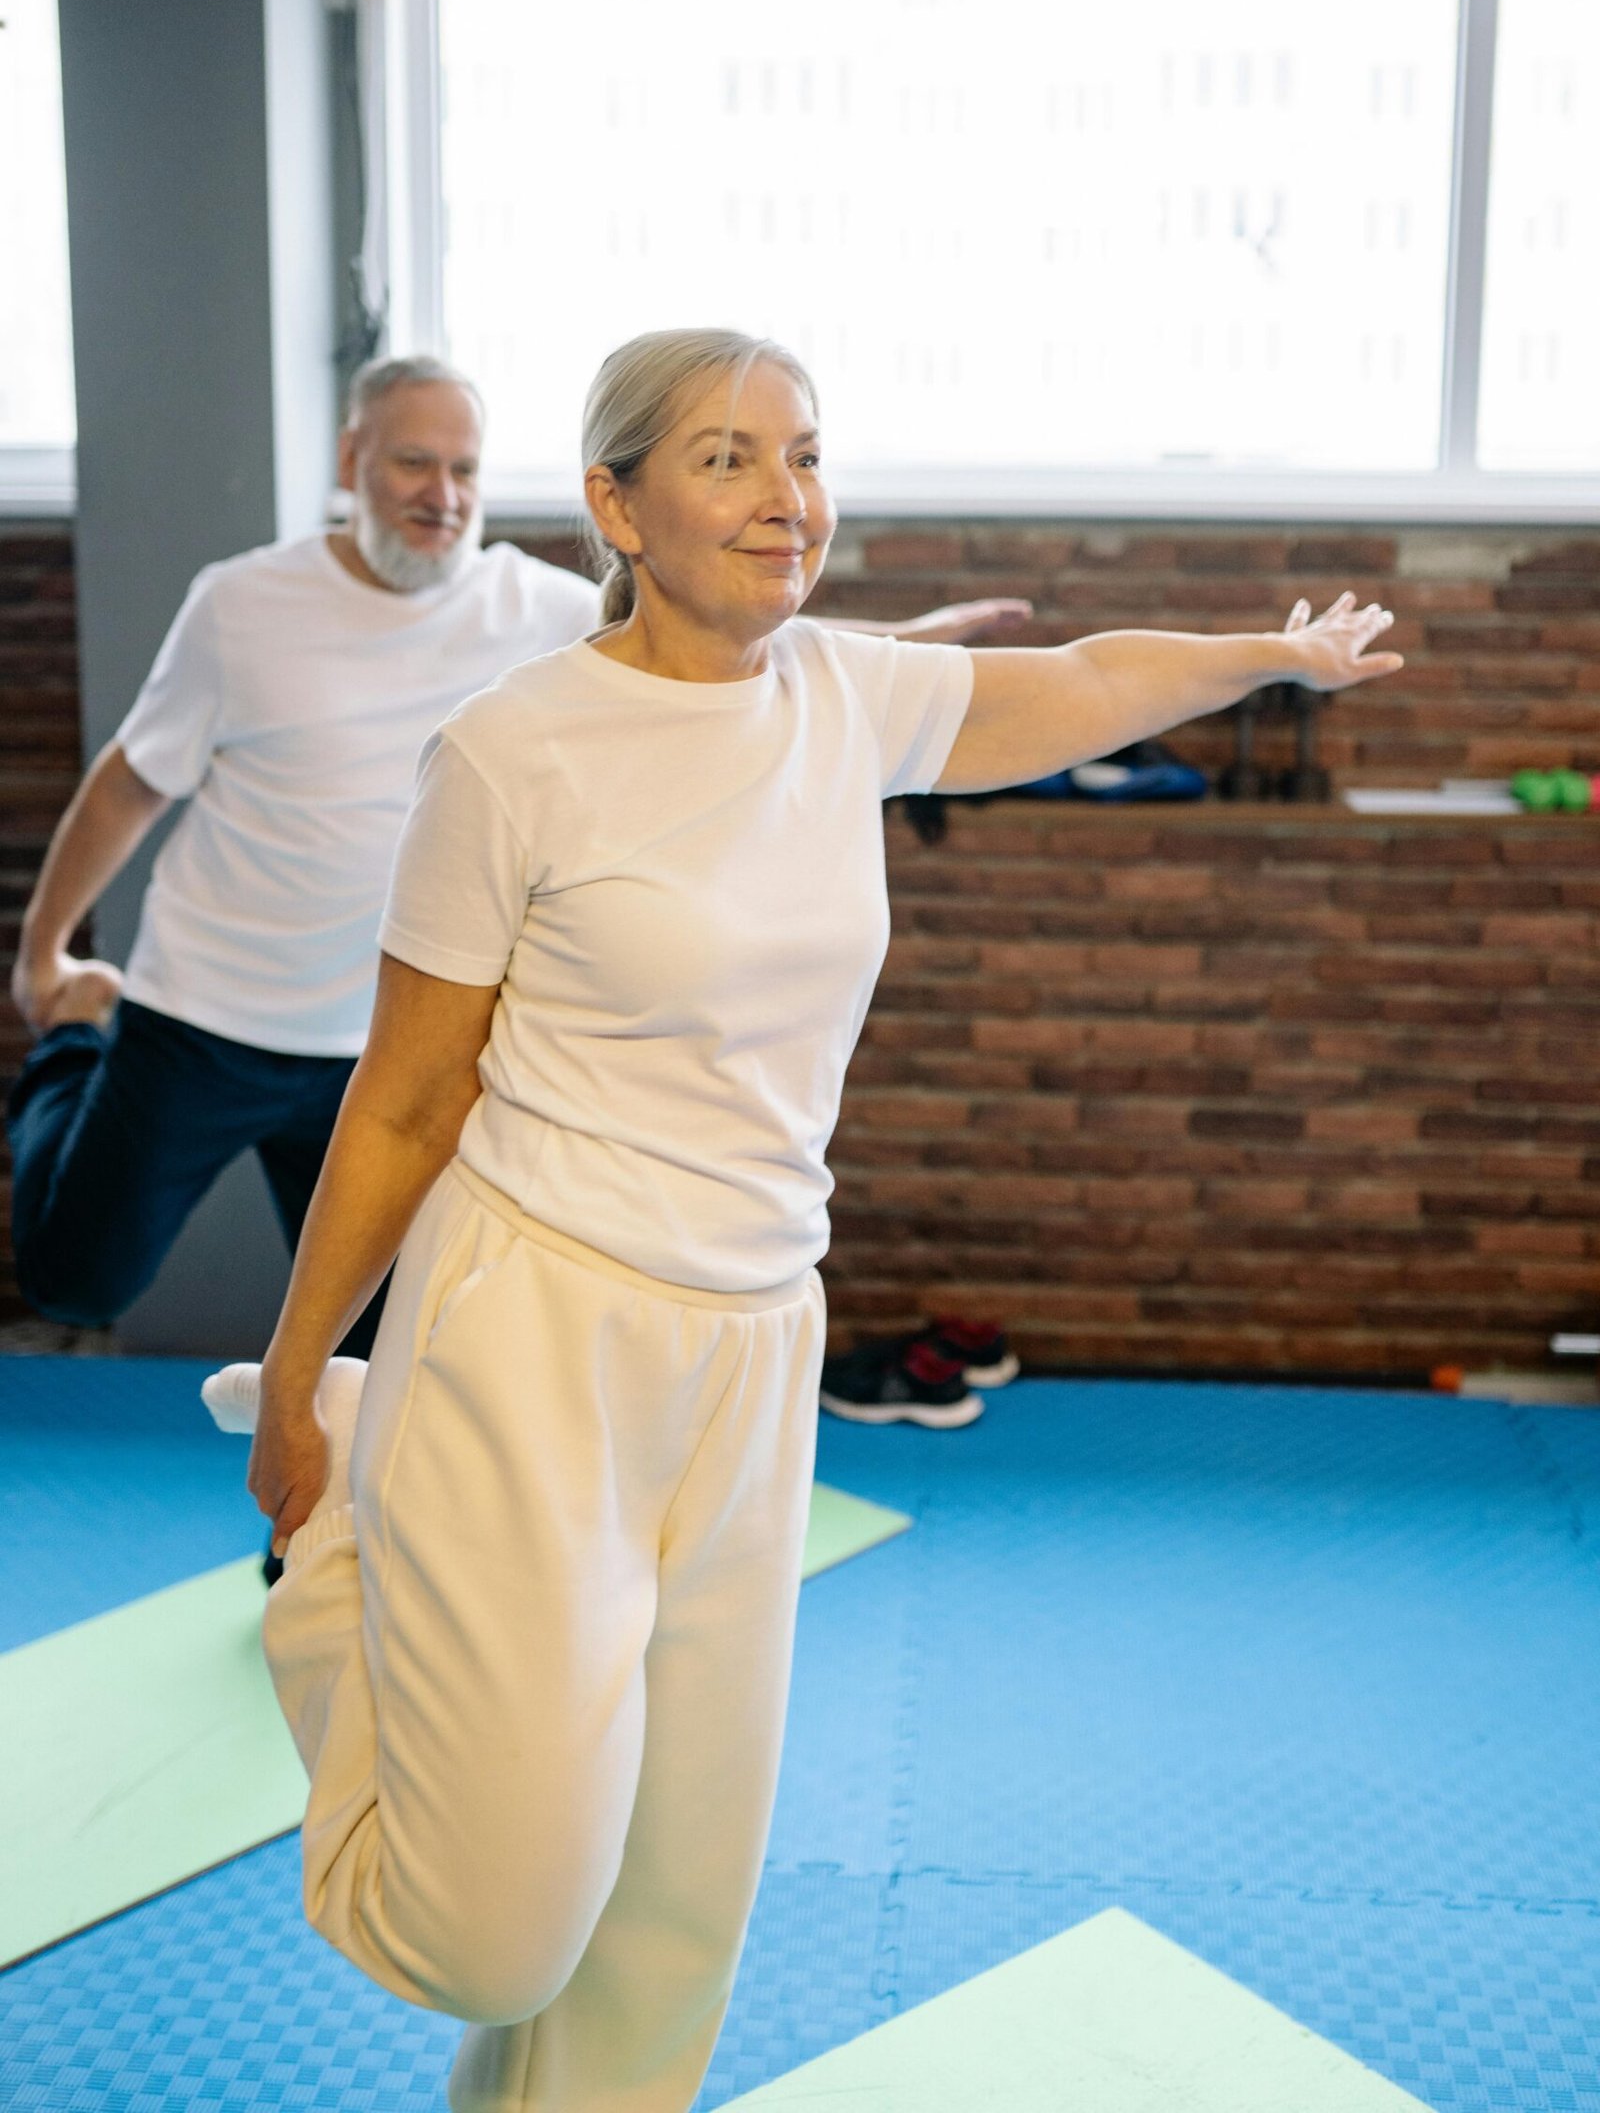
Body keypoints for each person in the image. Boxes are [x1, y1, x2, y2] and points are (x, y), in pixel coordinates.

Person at [204, 326, 1401, 2113]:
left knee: (675, 1906)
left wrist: (1272, 657)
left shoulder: (849, 695)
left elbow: (1080, 684)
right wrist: (303, 1381)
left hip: (759, 1342)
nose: (789, 497)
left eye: (808, 454)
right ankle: (348, 1562)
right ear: (616, 502)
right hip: (537, 1330)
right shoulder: (513, 750)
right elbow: (403, 1100)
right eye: (727, 458)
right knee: (490, 1938)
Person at [6, 354, 1024, 1358]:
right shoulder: (239, 604)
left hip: (377, 1043)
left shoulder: (532, 609)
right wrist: (45, 954)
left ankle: (321, 1532)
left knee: (379, 1354)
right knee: (78, 1278)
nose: (441, 495)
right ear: (353, 456)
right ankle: (74, 1051)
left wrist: (909, 643)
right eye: (414, 464)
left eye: (465, 471)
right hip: (204, 1014)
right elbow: (130, 781)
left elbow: (708, 626)